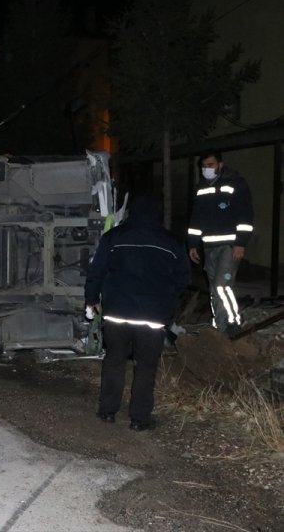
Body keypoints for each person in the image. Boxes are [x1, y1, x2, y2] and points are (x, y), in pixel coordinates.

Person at [85, 195, 190, 431]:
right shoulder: (171, 242)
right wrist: (168, 302)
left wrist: (92, 299)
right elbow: (183, 279)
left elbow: (97, 271)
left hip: (117, 313)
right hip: (153, 316)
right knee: (146, 366)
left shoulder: (113, 237)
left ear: (131, 212)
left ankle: (107, 411)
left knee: (114, 361)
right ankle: (139, 419)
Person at [186, 150, 254, 339]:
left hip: (229, 245)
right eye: (204, 166)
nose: (207, 169)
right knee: (215, 288)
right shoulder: (202, 187)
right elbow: (196, 219)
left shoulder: (235, 183)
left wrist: (240, 243)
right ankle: (220, 324)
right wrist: (192, 244)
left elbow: (245, 215)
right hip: (209, 247)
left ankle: (233, 322)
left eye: (211, 165)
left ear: (220, 165)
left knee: (221, 286)